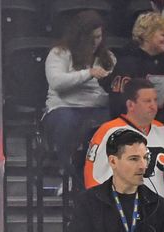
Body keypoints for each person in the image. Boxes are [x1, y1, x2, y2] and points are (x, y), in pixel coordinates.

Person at [42, 10, 115, 191]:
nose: (96, 42)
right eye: (92, 37)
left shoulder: (108, 58)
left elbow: (111, 88)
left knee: (112, 124)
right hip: (64, 107)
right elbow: (57, 82)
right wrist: (88, 74)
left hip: (97, 107)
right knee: (67, 122)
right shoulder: (60, 53)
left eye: (99, 37)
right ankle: (69, 175)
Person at [84, 78, 164, 201]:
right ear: (130, 105)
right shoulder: (108, 132)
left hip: (160, 214)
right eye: (147, 101)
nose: (153, 106)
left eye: (155, 100)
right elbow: (92, 177)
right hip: (121, 214)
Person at [102, 11, 164, 125]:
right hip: (136, 130)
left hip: (163, 131)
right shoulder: (128, 63)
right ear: (148, 35)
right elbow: (119, 104)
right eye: (163, 35)